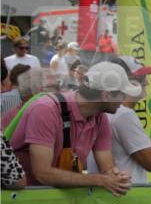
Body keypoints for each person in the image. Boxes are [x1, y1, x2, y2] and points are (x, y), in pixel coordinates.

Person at [8, 62, 135, 195]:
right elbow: (42, 173)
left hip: (55, 202)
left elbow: (107, 169)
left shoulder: (99, 117)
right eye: (122, 94)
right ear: (106, 95)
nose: (124, 99)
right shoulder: (45, 110)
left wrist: (115, 176)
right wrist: (101, 180)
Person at [85, 56, 151, 184]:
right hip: (125, 199)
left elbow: (136, 152)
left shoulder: (112, 112)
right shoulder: (123, 114)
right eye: (141, 78)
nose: (146, 82)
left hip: (112, 199)